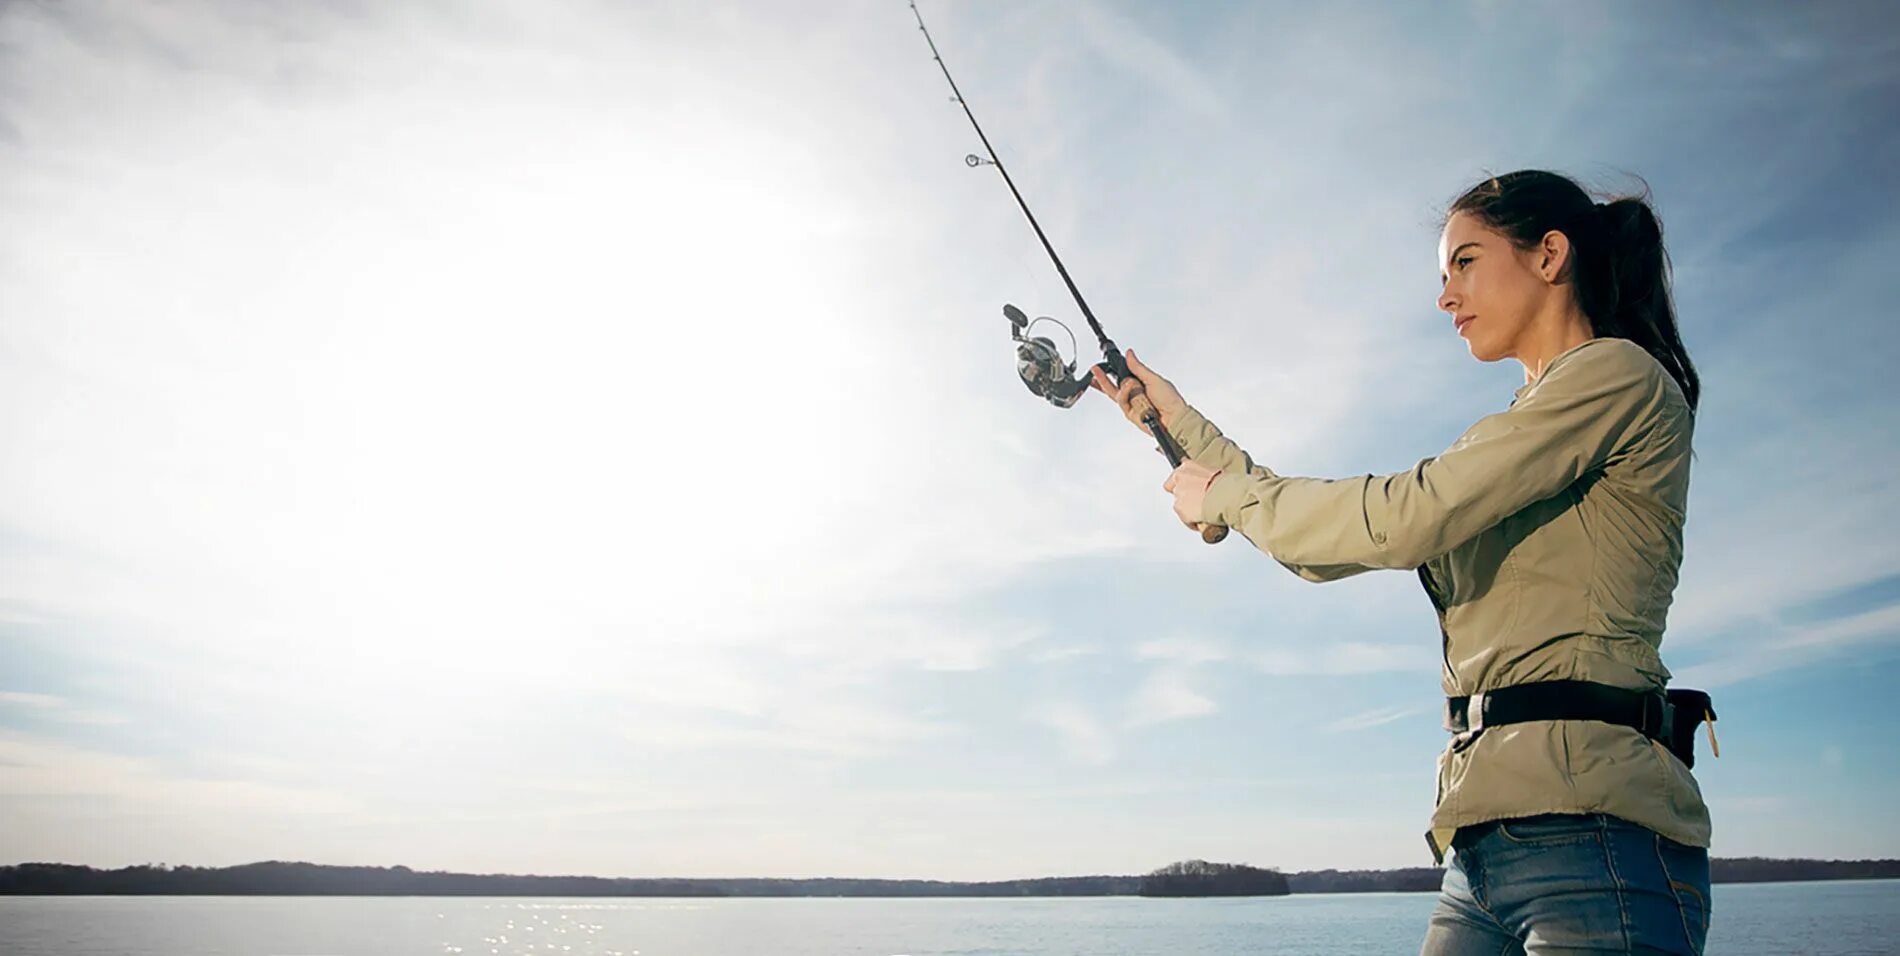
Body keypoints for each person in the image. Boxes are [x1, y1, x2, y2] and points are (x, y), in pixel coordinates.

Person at [1091, 169, 1712, 955]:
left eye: (1465, 262)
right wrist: (1178, 424)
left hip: (1595, 838)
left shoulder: (1615, 377)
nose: (1445, 297)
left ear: (1550, 255)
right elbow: (1331, 544)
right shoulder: (1521, 429)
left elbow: (1404, 517)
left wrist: (1223, 497)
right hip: (1481, 844)